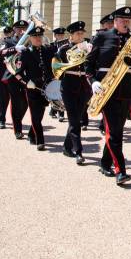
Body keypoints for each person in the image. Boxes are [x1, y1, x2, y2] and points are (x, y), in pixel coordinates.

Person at [85, 6, 131, 185]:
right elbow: (88, 65)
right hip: (106, 89)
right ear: (114, 21)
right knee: (113, 131)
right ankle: (120, 170)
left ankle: (105, 162)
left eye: (128, 21)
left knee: (117, 130)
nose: (126, 23)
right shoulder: (102, 37)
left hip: (126, 90)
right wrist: (93, 82)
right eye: (122, 20)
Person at [57, 21, 91, 164]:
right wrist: (79, 50)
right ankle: (78, 151)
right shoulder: (64, 48)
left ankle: (67, 146)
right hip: (69, 86)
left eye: (82, 33)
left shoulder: (87, 47)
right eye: (78, 33)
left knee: (76, 118)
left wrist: (90, 52)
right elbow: (59, 64)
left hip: (83, 86)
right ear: (71, 35)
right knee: (74, 120)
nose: (81, 36)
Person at [18, 26, 54, 150]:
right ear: (30, 38)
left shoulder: (48, 51)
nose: (38, 38)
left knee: (40, 113)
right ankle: (40, 140)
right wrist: (26, 82)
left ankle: (32, 134)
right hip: (32, 88)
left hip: (45, 88)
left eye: (40, 36)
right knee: (35, 114)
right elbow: (18, 73)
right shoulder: (26, 53)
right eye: (35, 36)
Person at [3, 20, 30, 139]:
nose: (22, 30)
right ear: (14, 29)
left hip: (26, 76)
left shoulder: (30, 42)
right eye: (19, 28)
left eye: (24, 28)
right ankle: (17, 129)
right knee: (15, 102)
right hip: (12, 76)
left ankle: (18, 120)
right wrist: (15, 49)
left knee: (25, 103)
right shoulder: (9, 42)